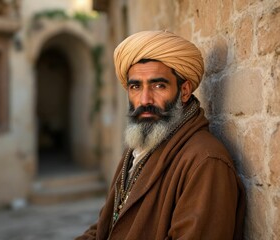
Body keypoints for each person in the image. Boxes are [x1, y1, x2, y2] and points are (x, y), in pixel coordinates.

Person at [76, 30, 245, 240]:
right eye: (135, 86)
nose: (145, 99)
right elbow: (108, 225)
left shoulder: (205, 162)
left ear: (184, 91)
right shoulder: (138, 149)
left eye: (158, 85)